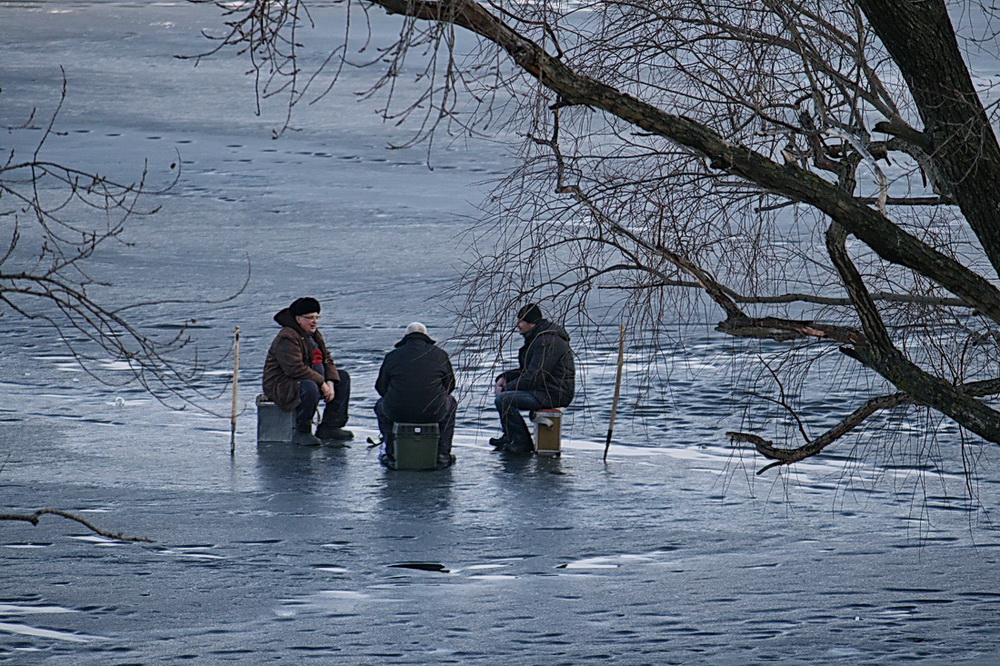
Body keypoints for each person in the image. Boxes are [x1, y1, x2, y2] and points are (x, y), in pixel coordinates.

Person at [262, 297, 353, 446]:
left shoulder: (314, 335)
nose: (314, 321)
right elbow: (294, 368)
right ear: (298, 319)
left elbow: (327, 359)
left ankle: (330, 426)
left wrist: (330, 381)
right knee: (309, 387)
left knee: (342, 377)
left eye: (317, 317)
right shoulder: (287, 337)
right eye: (310, 318)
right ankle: (302, 430)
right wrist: (322, 383)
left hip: (309, 378)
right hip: (283, 385)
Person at [491, 303, 575, 455]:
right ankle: (511, 437)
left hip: (554, 393)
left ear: (532, 324)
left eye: (521, 321)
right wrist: (504, 378)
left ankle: (521, 443)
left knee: (504, 400)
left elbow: (535, 376)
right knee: (504, 397)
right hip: (543, 390)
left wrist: (506, 388)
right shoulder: (538, 339)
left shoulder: (547, 342)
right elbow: (526, 371)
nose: (518, 325)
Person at [374, 322, 458, 469]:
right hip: (433, 412)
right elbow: (450, 385)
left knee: (380, 406)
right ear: (426, 336)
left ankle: (392, 453)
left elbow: (381, 387)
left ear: (406, 336)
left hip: (398, 413)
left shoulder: (392, 356)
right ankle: (443, 454)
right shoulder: (440, 354)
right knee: (451, 403)